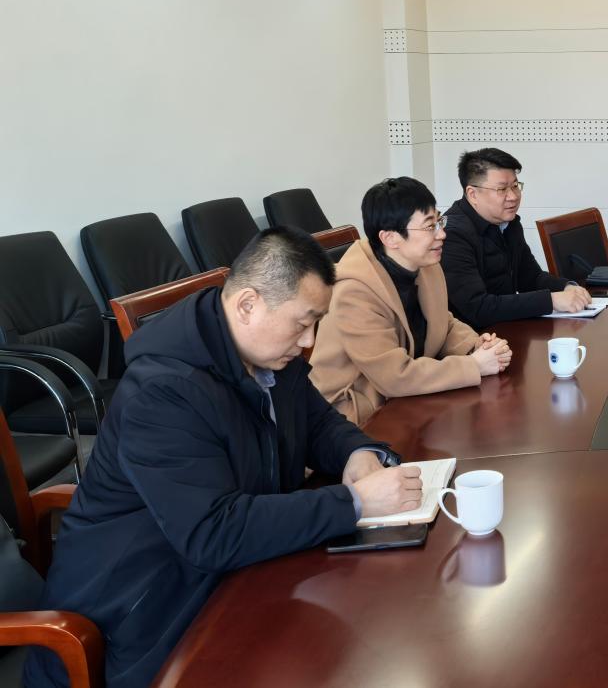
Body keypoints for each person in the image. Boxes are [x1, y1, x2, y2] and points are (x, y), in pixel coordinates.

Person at [24, 228, 424, 688]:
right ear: (248, 304)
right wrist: (354, 503)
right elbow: (213, 532)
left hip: (229, 576)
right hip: (140, 617)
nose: (309, 340)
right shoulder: (162, 393)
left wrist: (358, 452)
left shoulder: (268, 353)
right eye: (302, 323)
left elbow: (316, 423)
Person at [310, 177, 512, 425]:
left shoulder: (424, 262)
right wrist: (473, 366)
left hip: (404, 401)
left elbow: (442, 322)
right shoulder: (353, 293)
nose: (442, 234)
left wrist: (476, 346)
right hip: (354, 418)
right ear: (390, 238)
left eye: (439, 221)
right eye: (429, 227)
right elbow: (394, 376)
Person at [443, 147, 591, 329]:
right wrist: (551, 300)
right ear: (473, 194)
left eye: (515, 186)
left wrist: (567, 287)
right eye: (501, 189)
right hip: (475, 339)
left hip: (508, 328)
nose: (513, 196)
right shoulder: (452, 235)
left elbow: (530, 277)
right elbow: (478, 308)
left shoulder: (509, 223)